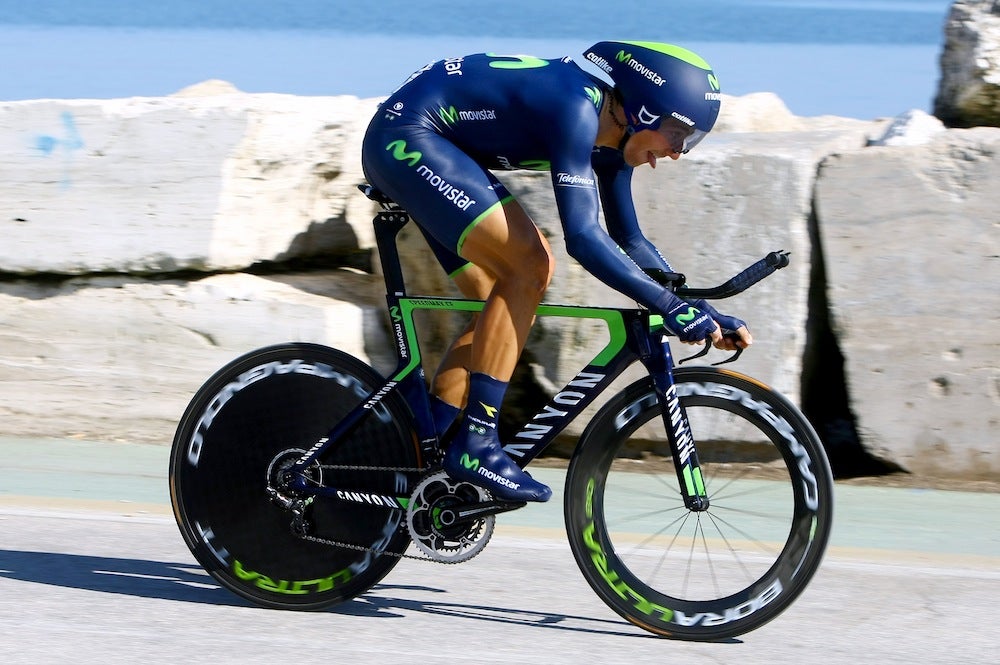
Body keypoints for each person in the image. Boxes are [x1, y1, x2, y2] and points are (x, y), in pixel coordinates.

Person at [361, 40, 752, 503]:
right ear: (646, 109)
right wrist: (667, 306)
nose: (677, 152)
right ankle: (477, 444)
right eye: (678, 134)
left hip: (429, 144)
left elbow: (630, 240)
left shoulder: (610, 140)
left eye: (690, 141)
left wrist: (687, 305)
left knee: (497, 303)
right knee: (530, 265)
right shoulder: (576, 109)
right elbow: (583, 239)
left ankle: (417, 455)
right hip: (408, 135)